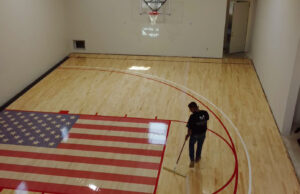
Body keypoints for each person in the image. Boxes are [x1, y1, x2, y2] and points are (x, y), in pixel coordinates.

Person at [185, 102, 209, 168]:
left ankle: (192, 160)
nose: (190, 111)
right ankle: (198, 158)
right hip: (203, 134)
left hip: (194, 135)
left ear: (193, 108)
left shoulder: (192, 117)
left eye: (190, 109)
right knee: (200, 146)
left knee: (191, 146)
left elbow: (189, 128)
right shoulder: (205, 113)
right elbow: (206, 119)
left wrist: (187, 135)